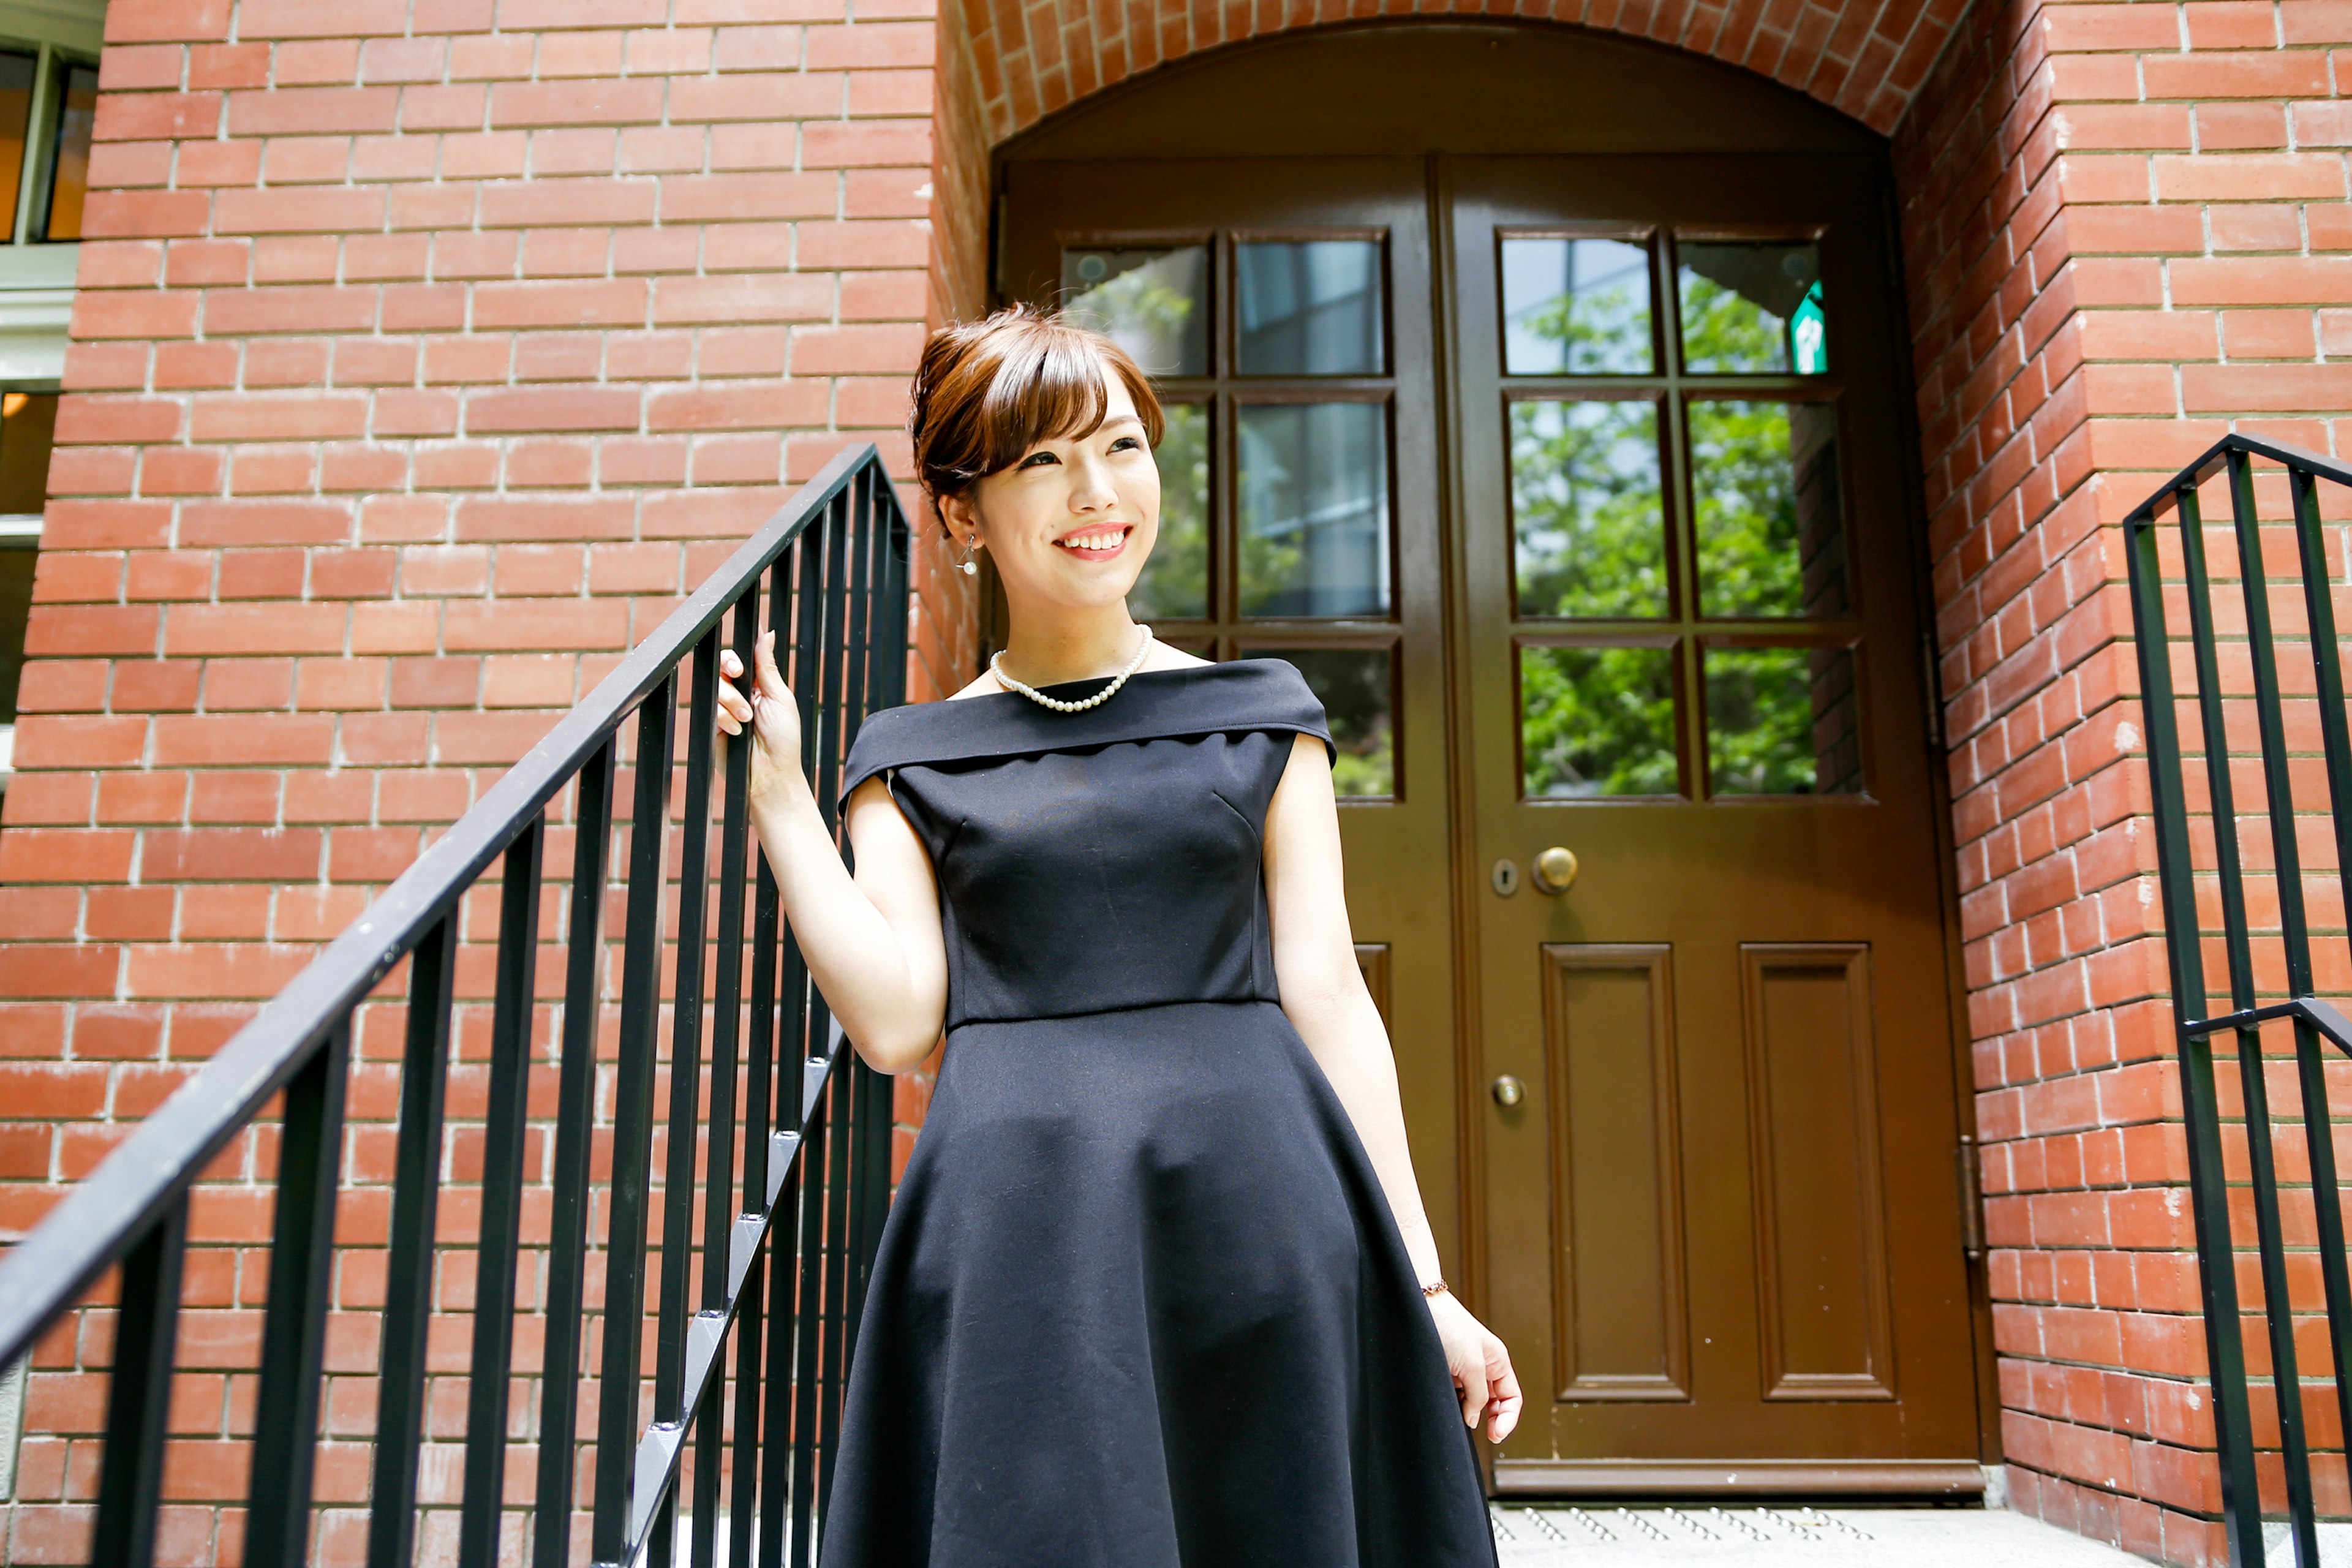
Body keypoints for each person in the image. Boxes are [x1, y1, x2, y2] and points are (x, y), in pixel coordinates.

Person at [714, 304, 1520, 1566]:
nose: (1097, 491)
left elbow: (1325, 994)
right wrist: (780, 799)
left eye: (1121, 447)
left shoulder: (1263, 715)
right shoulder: (911, 756)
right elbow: (894, 1020)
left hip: (1258, 1202)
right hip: (1024, 1230)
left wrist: (1420, 1281)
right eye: (1041, 460)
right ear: (966, 511)